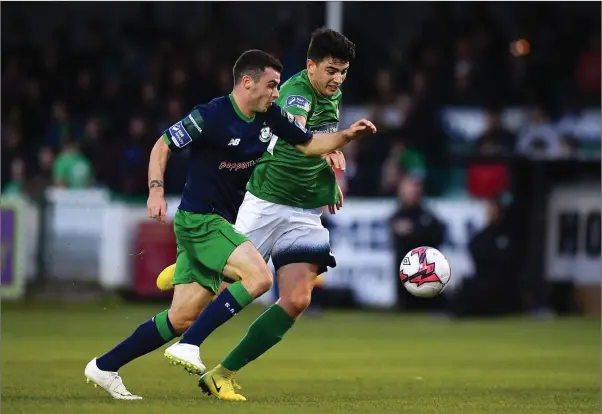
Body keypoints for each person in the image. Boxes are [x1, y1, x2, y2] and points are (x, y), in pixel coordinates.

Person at [84, 49, 376, 400]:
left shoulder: (270, 117)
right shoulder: (211, 115)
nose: (275, 92)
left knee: (180, 317)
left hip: (221, 221)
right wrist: (156, 190)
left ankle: (104, 366)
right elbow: (163, 145)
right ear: (247, 82)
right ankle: (190, 346)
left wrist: (348, 136)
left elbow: (311, 144)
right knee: (259, 277)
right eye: (271, 86)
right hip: (199, 220)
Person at [155, 28, 357, 401]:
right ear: (310, 66)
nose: (337, 79)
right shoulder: (294, 94)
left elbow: (316, 144)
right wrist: (330, 147)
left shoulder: (333, 93)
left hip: (305, 211)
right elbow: (300, 139)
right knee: (211, 291)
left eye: (343, 72)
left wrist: (327, 179)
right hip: (267, 203)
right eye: (331, 70)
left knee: (297, 300)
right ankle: (191, 267)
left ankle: (221, 374)